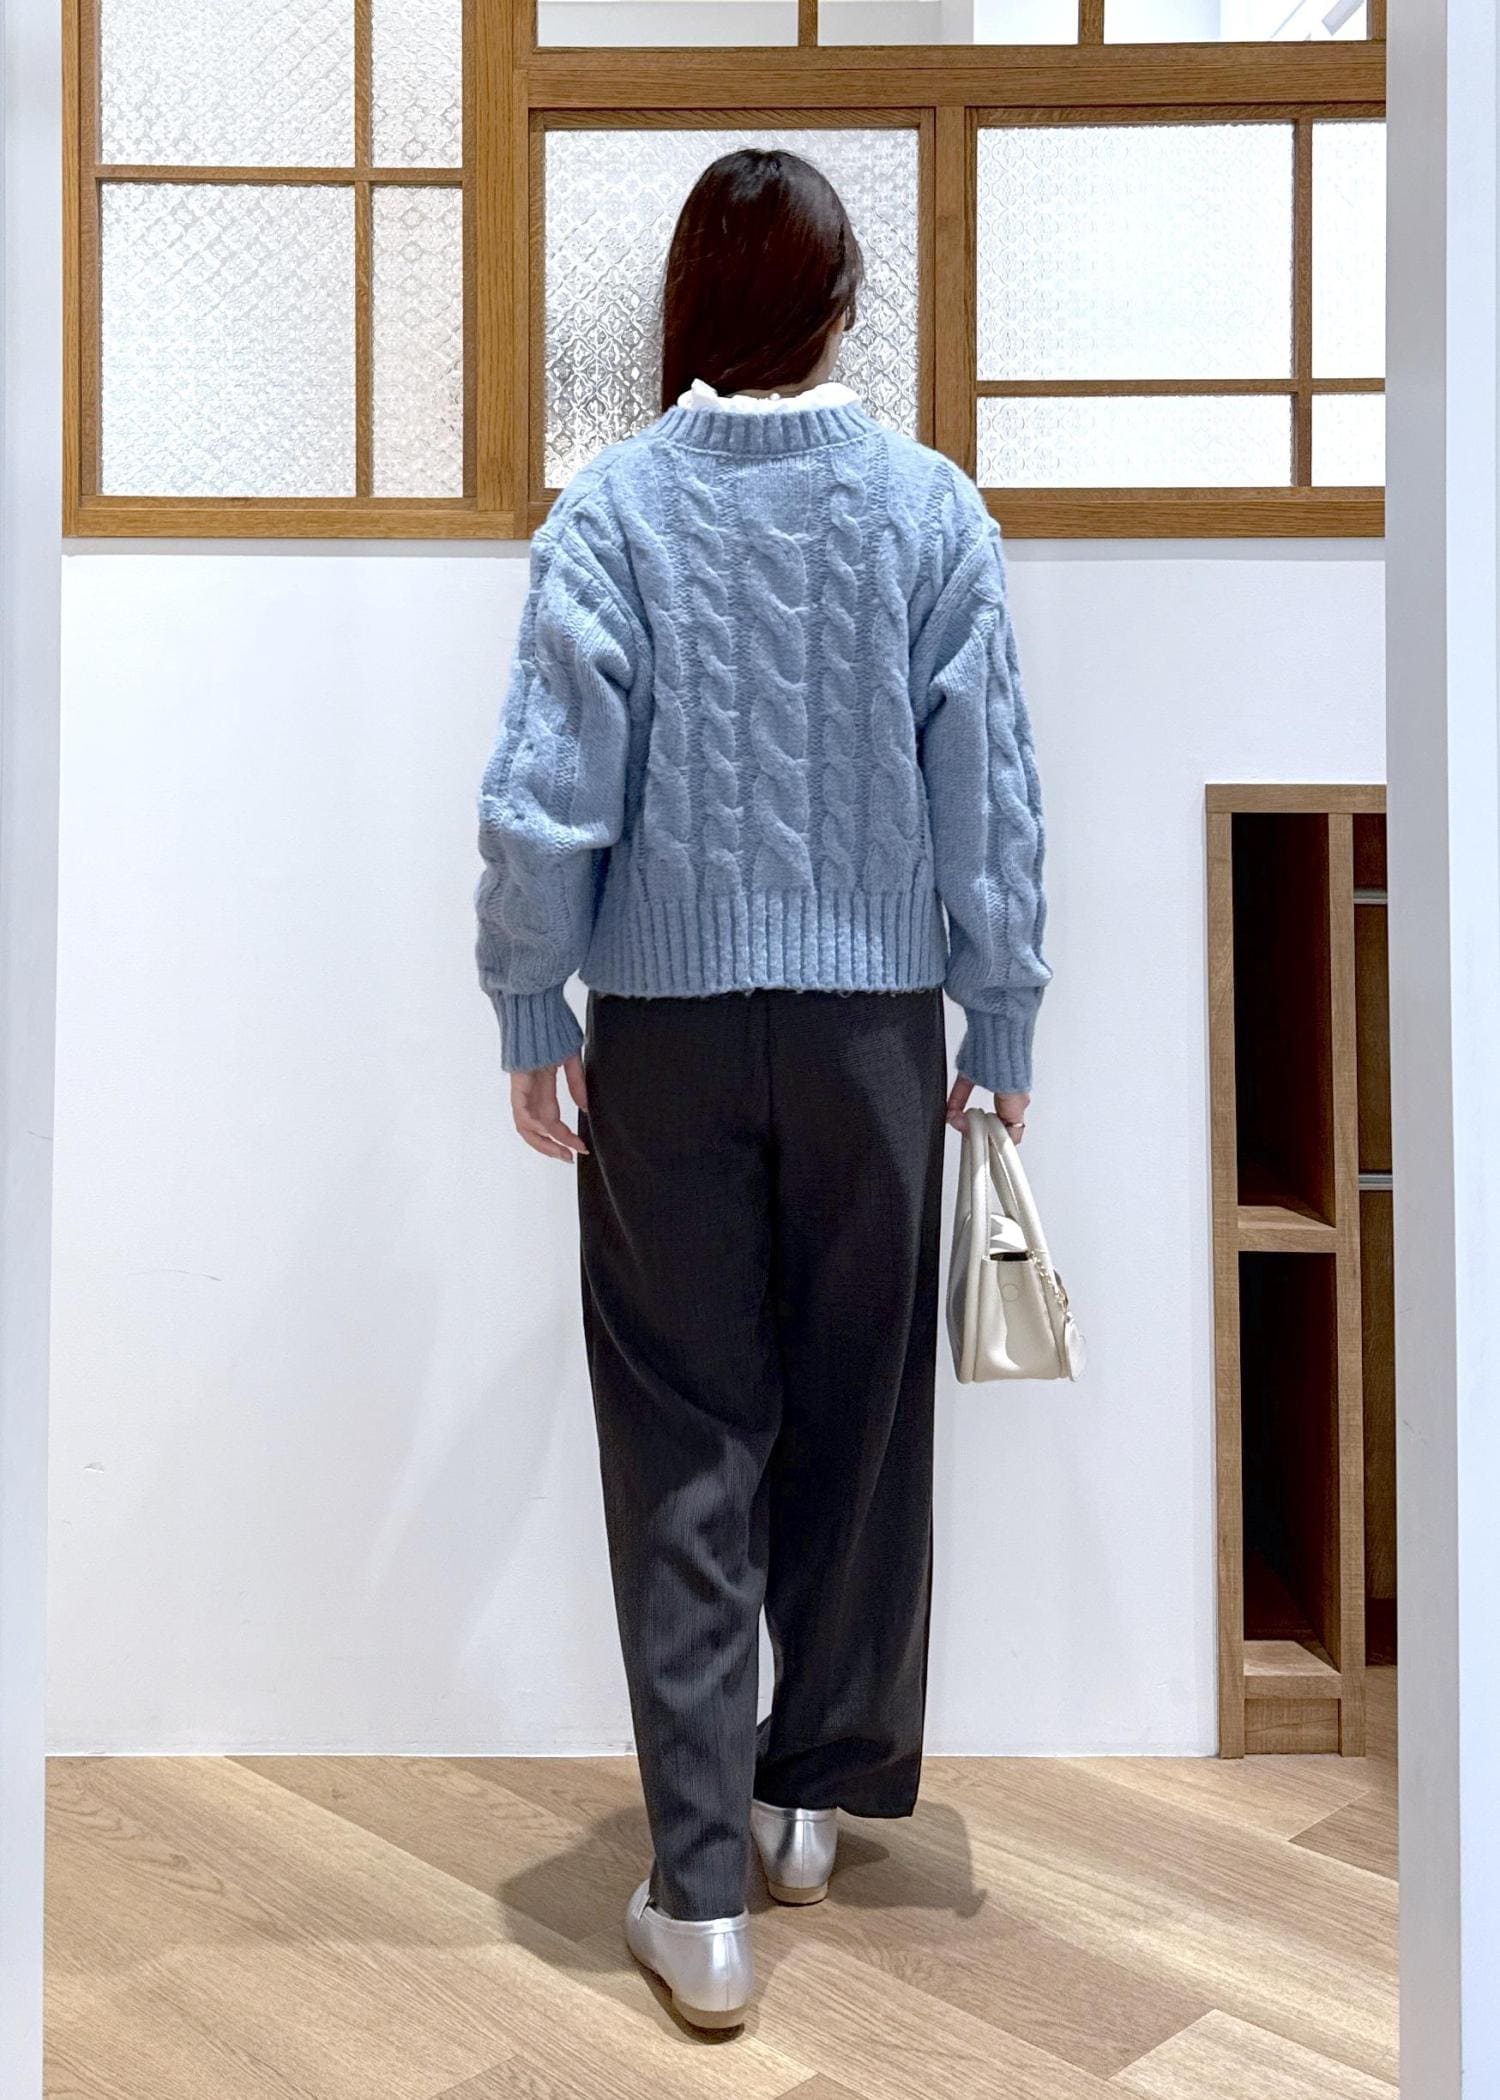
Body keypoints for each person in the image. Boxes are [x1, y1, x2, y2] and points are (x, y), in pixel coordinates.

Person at [473, 145, 1049, 2031]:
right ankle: (809, 1794)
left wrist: (533, 1001)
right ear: (837, 309)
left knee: (685, 1431)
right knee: (856, 1419)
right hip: (877, 1032)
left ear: (692, 311)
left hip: (664, 1033)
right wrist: (1000, 1019)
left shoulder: (615, 509)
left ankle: (702, 1894)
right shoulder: (929, 508)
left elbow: (547, 787)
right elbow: (989, 791)